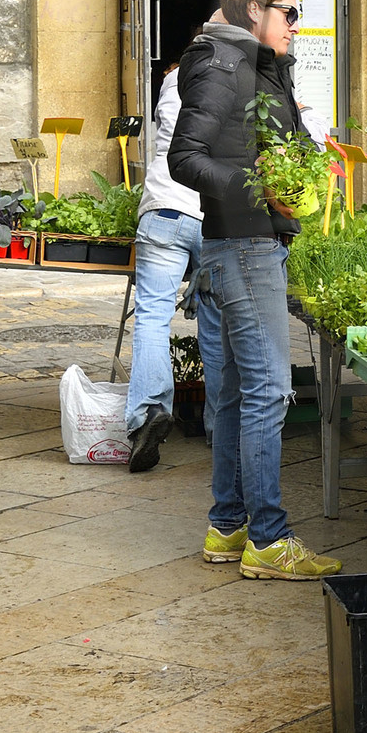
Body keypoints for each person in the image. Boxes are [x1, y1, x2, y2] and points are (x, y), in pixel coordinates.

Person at [168, 0, 340, 582]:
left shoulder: (249, 64)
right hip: (244, 246)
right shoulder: (222, 66)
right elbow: (185, 157)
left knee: (240, 395)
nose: (297, 25)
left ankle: (228, 525)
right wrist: (258, 189)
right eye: (288, 13)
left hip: (244, 244)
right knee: (268, 392)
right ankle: (268, 538)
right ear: (252, 12)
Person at [124, 53, 223, 474]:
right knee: (218, 323)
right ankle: (222, 427)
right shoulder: (232, 80)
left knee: (151, 317)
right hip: (211, 217)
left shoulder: (171, 83)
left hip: (163, 211)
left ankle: (148, 414)